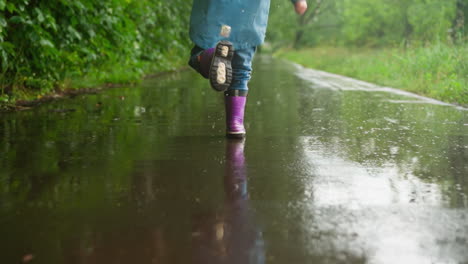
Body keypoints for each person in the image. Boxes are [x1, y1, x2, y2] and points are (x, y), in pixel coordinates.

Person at [188, 0, 308, 138]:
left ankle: (211, 56)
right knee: (241, 69)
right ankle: (235, 124)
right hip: (248, 15)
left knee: (200, 53)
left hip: (216, 10)